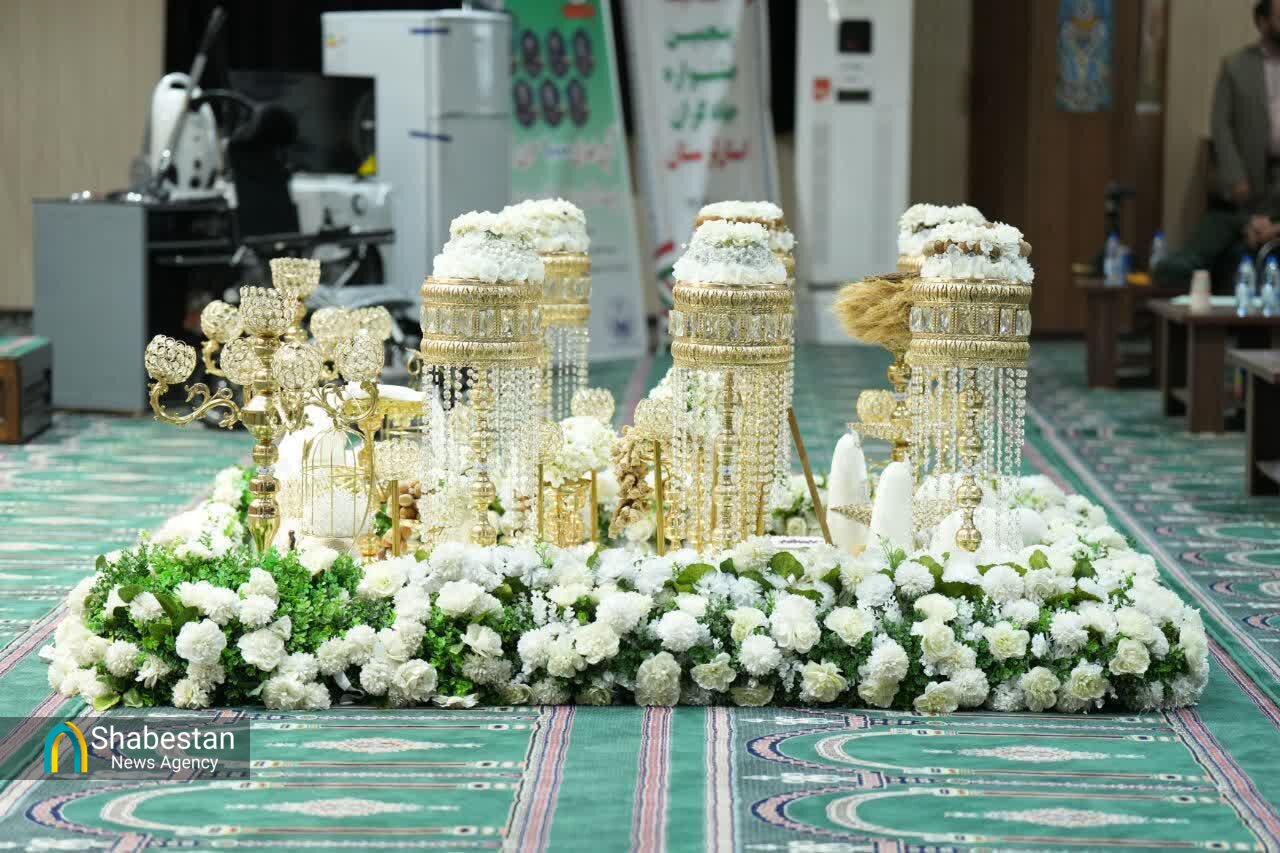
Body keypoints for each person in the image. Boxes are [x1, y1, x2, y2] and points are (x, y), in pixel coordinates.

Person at [1157, 0, 1280, 287]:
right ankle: (1181, 268)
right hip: (1248, 182)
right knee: (1220, 226)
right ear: (1262, 21)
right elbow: (1221, 126)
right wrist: (1235, 177)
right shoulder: (1236, 66)